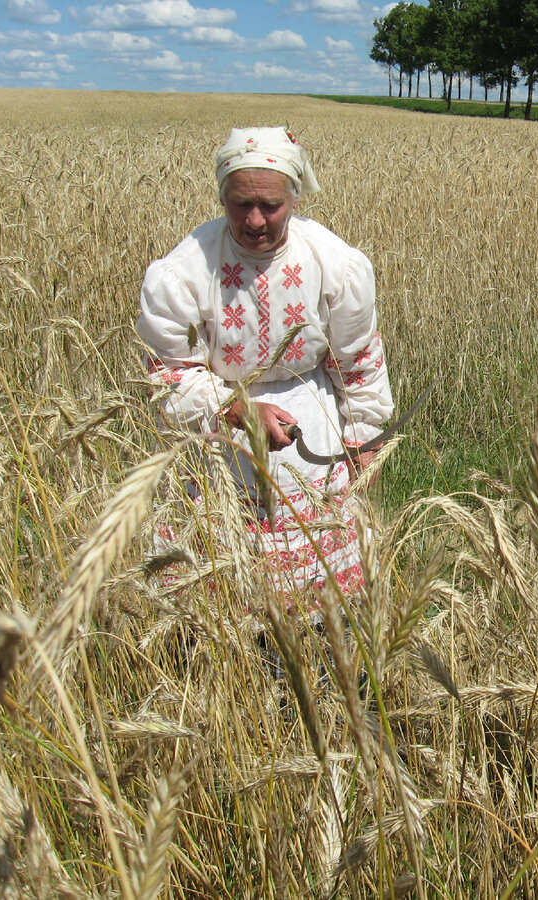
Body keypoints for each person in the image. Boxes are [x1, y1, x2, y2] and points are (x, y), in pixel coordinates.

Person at [137, 126, 394, 606]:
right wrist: (234, 407)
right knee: (220, 593)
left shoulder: (335, 263)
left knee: (322, 598)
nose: (254, 220)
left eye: (270, 206)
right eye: (240, 204)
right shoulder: (182, 273)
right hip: (215, 443)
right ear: (222, 196)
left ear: (294, 198)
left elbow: (358, 363)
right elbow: (167, 376)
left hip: (312, 434)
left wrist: (363, 439)